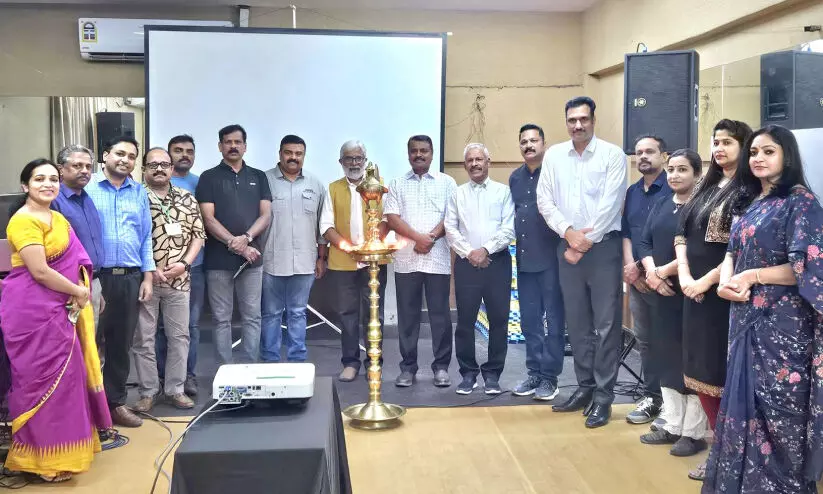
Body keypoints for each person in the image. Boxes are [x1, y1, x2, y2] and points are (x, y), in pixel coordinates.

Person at [703, 126, 823, 493]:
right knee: (746, 404)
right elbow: (731, 253)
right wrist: (725, 282)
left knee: (781, 410)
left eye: (768, 151)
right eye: (754, 152)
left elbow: (806, 267)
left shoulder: (801, 202)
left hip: (784, 325)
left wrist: (751, 276)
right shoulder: (752, 202)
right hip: (745, 319)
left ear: (787, 156)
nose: (758, 158)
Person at [0, 159, 111, 482]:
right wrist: (78, 291)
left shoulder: (59, 219)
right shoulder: (23, 221)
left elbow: (77, 261)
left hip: (63, 309)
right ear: (25, 186)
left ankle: (64, 454)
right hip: (32, 313)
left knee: (67, 383)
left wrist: (81, 290)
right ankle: (37, 459)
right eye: (39, 179)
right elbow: (39, 271)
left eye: (52, 179)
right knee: (38, 384)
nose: (47, 184)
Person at [536, 96, 627, 428]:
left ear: (593, 120)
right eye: (572, 120)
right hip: (567, 246)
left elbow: (612, 202)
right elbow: (544, 199)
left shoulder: (613, 155)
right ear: (566, 122)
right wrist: (568, 233)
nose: (578, 125)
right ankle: (585, 387)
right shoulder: (554, 156)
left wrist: (584, 241)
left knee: (606, 326)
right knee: (576, 324)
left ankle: (603, 397)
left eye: (583, 119)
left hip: (603, 249)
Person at [674, 119, 752, 480]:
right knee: (698, 372)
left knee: (719, 374)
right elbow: (682, 235)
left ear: (744, 147)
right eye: (716, 142)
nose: (719, 148)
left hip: (721, 297)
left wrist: (704, 282)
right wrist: (685, 277)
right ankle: (718, 448)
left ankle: (726, 453)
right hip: (694, 294)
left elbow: (738, 248)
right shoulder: (707, 186)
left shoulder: (747, 191)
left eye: (728, 142)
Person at [636, 149, 708, 457]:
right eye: (671, 170)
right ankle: (672, 425)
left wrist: (663, 273)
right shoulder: (662, 203)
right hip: (661, 294)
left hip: (693, 294)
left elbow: (700, 252)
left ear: (697, 174)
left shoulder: (704, 207)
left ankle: (694, 433)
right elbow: (644, 241)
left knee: (691, 361)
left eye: (682, 169)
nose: (675, 175)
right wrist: (653, 274)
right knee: (667, 359)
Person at [85, 136, 155, 428]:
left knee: (120, 345)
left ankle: (115, 404)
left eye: (131, 156)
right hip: (94, 278)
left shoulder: (138, 192)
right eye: (120, 153)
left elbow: (145, 237)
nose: (125, 160)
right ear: (105, 155)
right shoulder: (86, 188)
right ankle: (86, 408)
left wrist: (147, 276)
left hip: (129, 277)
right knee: (89, 344)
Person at [131, 148, 205, 412]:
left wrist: (185, 264)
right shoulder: (134, 197)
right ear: (144, 169)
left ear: (172, 169)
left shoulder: (187, 197)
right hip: (145, 281)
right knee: (144, 339)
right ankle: (148, 391)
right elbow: (131, 237)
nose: (159, 169)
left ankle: (175, 389)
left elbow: (198, 235)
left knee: (179, 337)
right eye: (153, 165)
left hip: (179, 281)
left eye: (164, 164)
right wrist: (149, 269)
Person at [196, 124, 272, 365]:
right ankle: (225, 373)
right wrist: (235, 243)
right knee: (221, 319)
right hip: (218, 262)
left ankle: (249, 370)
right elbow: (208, 218)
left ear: (245, 147)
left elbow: (266, 215)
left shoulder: (258, 176)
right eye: (228, 142)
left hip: (252, 260)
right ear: (220, 146)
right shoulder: (208, 177)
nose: (233, 146)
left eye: (237, 142)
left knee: (252, 317)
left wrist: (246, 239)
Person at [384, 135, 456, 388]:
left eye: (424, 150)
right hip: (406, 259)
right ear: (408, 155)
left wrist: (431, 237)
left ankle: (441, 367)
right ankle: (408, 367)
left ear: (432, 154)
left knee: (440, 316)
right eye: (414, 151)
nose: (419, 155)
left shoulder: (447, 182)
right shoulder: (397, 183)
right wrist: (417, 238)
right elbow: (392, 218)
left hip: (438, 259)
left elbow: (452, 216)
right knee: (407, 316)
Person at [445, 143, 515, 395]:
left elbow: (509, 227)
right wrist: (471, 254)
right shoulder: (457, 194)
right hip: (466, 264)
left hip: (497, 262)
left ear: (488, 162)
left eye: (479, 159)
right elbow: (450, 228)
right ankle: (468, 374)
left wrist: (485, 250)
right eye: (470, 160)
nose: (474, 164)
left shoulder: (503, 192)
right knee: (465, 321)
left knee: (499, 321)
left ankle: (493, 374)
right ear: (465, 165)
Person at [321, 140, 388, 382]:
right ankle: (350, 362)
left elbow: (387, 219)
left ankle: (374, 362)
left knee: (374, 314)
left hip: (374, 262)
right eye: (349, 158)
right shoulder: (333, 189)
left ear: (365, 160)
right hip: (343, 262)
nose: (354, 163)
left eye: (359, 158)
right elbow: (326, 226)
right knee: (347, 313)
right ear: (341, 162)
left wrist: (372, 243)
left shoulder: (379, 186)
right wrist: (348, 247)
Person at [509, 124, 565, 401]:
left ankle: (550, 378)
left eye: (534, 140)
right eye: (524, 141)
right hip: (524, 260)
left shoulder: (555, 174)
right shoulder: (515, 178)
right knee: (530, 321)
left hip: (552, 260)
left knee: (553, 321)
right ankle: (534, 373)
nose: (529, 145)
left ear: (544, 144)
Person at [261, 135, 328, 363]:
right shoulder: (264, 181)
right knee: (271, 314)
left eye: (298, 154)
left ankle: (297, 360)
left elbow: (322, 226)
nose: (293, 157)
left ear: (304, 156)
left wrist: (321, 258)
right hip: (271, 261)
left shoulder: (315, 184)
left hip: (305, 262)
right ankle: (269, 360)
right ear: (280, 153)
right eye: (289, 153)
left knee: (298, 313)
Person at [621, 134, 671, 424]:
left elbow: (671, 238)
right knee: (646, 341)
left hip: (665, 280)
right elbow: (627, 232)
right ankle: (652, 397)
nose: (643, 156)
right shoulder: (632, 192)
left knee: (668, 341)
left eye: (650, 151)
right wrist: (631, 267)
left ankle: (672, 404)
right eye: (639, 152)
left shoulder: (673, 188)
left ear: (663, 156)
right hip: (637, 281)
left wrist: (645, 270)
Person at [155, 134, 204, 396]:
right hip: (156, 271)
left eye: (189, 151)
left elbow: (200, 229)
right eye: (178, 150)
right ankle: (161, 378)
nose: (184, 155)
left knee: (189, 327)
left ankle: (187, 376)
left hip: (193, 267)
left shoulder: (200, 184)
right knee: (158, 328)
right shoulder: (151, 185)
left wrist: (185, 263)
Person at [52, 145, 105, 353]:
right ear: (60, 169)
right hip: (68, 286)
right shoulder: (54, 201)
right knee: (70, 348)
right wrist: (74, 287)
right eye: (77, 165)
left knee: (89, 347)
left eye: (88, 167)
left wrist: (96, 288)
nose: (84, 171)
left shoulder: (86, 198)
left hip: (92, 282)